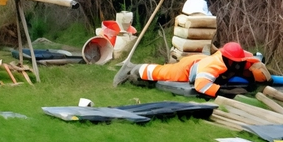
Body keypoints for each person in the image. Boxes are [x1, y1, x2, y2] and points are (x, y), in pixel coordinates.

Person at [114, 41, 270, 97]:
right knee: (164, 72)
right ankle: (133, 69)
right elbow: (201, 85)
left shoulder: (244, 58)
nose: (238, 64)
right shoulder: (213, 66)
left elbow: (256, 62)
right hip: (189, 68)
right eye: (234, 61)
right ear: (227, 59)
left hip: (201, 59)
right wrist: (223, 92)